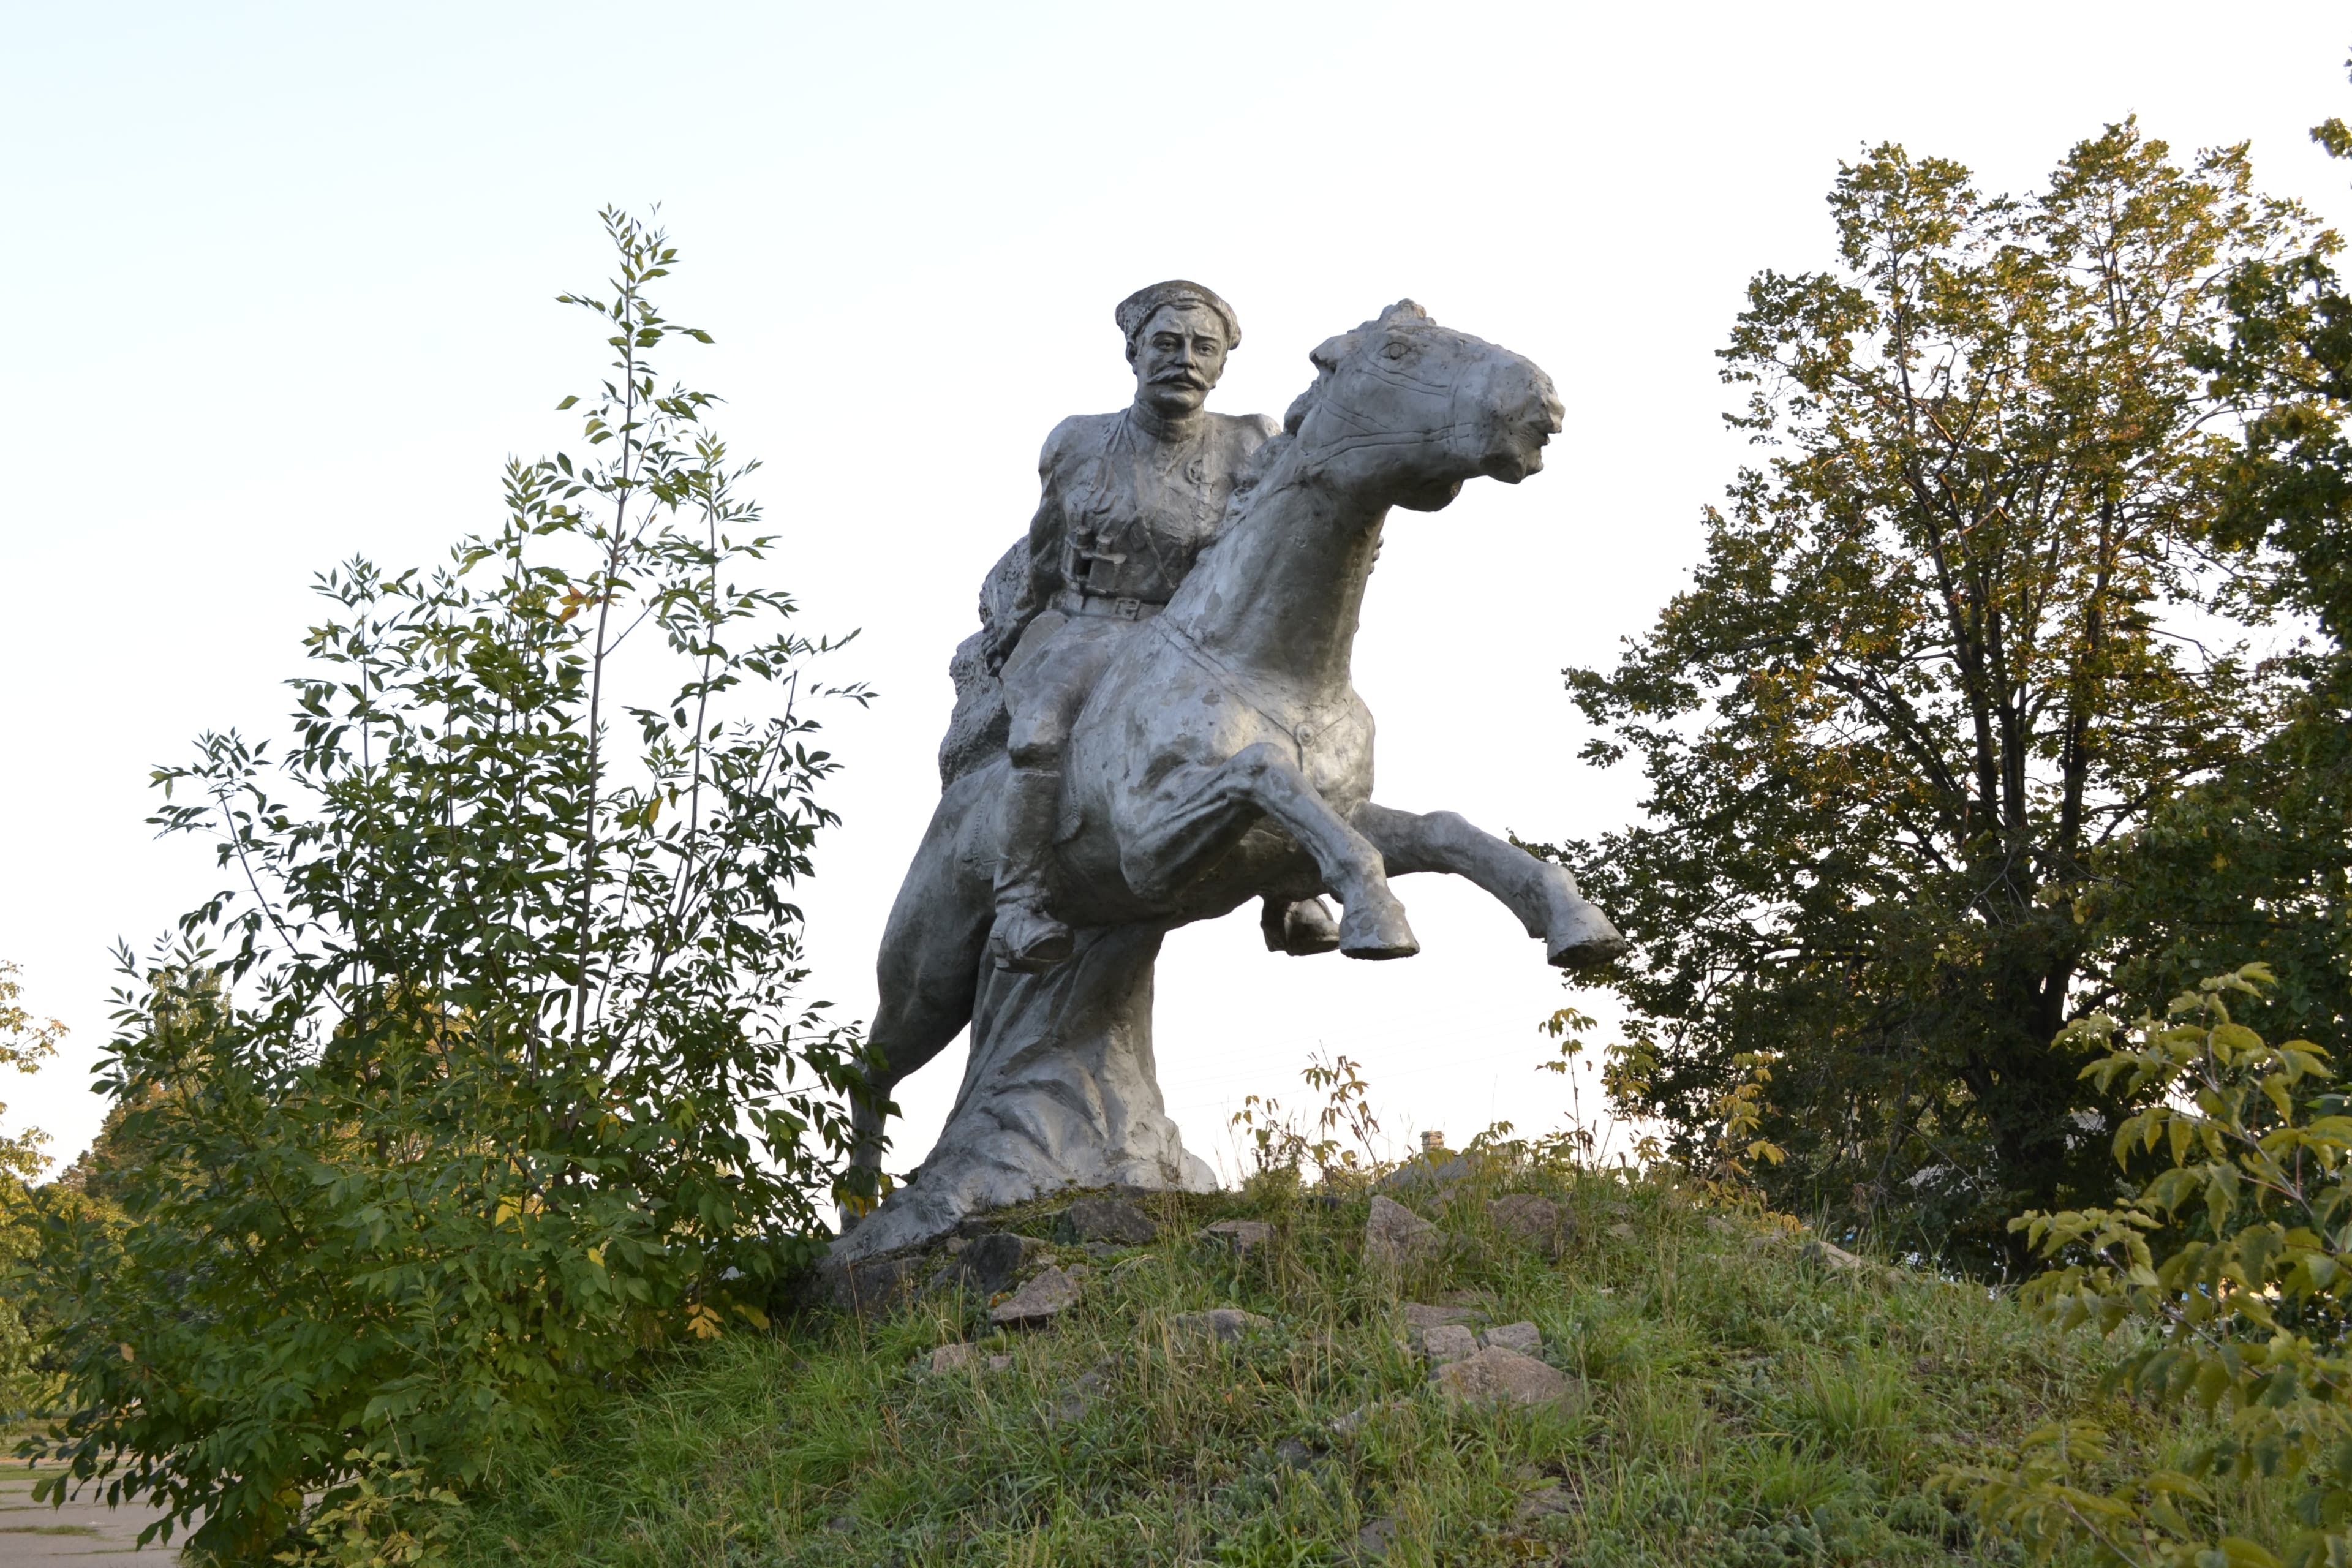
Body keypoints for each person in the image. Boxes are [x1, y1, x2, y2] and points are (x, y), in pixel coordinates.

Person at [987, 280, 1338, 971]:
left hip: (1204, 640)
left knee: (1293, 722)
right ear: (1134, 352)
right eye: (1167, 344)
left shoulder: (1251, 440)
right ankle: (1019, 902)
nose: (1185, 360)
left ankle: (1294, 888)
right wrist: (1020, 623)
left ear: (1223, 364)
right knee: (1037, 736)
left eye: (1204, 348)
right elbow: (1046, 545)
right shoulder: (1078, 440)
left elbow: (1289, 532)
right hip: (1095, 629)